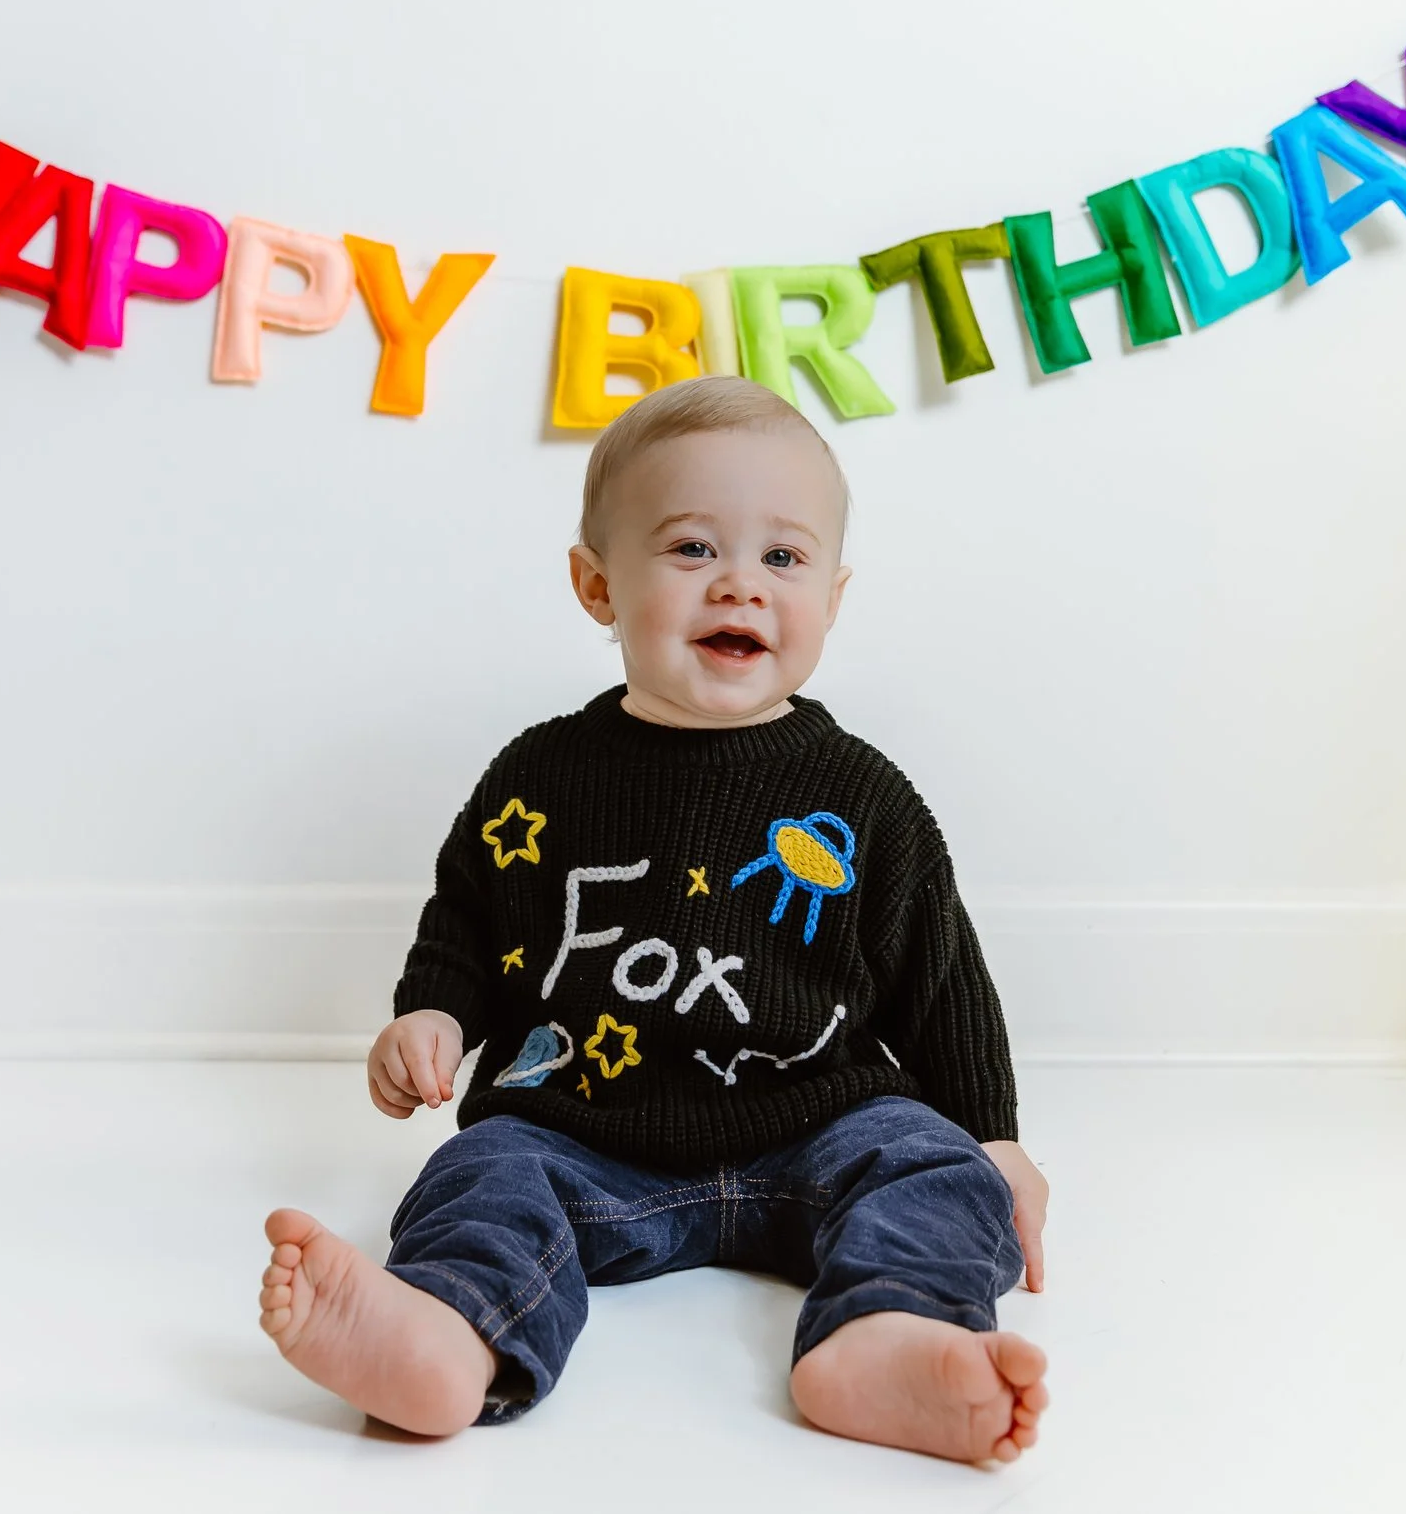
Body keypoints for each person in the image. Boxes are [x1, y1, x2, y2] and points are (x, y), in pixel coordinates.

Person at [257, 375, 1051, 1464]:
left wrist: (995, 1136)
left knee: (938, 1171)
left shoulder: (864, 795)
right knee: (482, 1170)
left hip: (817, 1125)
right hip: (583, 1132)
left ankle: (889, 1334)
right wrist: (432, 1012)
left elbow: (942, 976)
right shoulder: (542, 772)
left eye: (784, 556)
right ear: (597, 584)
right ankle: (449, 1330)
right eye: (691, 547)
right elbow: (469, 917)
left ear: (833, 593)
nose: (740, 583)